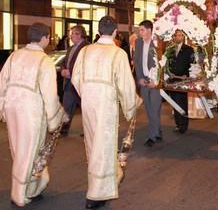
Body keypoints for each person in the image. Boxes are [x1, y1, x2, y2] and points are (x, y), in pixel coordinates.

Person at [71, 16, 138, 209]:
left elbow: (76, 79)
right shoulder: (118, 54)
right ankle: (96, 194)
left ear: (99, 31)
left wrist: (88, 93)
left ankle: (103, 182)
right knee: (104, 147)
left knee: (92, 144)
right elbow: (125, 85)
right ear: (116, 32)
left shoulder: (85, 51)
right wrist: (130, 106)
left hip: (88, 104)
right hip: (106, 105)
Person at [0, 23, 66, 207]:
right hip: (31, 112)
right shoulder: (44, 61)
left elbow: (1, 82)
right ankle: (19, 194)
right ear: (44, 38)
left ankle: (32, 187)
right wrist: (56, 117)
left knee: (18, 150)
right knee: (28, 152)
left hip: (12, 108)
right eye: (49, 37)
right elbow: (50, 94)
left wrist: (2, 107)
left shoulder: (15, 55)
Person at [134, 20, 163, 147]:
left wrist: (156, 81)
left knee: (155, 108)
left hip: (155, 82)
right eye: (139, 30)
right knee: (148, 108)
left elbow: (162, 64)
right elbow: (136, 61)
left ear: (150, 30)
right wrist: (139, 78)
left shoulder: (158, 43)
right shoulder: (138, 42)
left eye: (142, 30)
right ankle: (157, 131)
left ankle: (152, 136)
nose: (140, 33)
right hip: (143, 80)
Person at [60, 25, 89, 137]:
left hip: (80, 84)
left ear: (81, 34)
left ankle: (87, 130)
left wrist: (70, 72)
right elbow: (65, 62)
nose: (72, 36)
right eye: (71, 33)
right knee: (67, 106)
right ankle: (63, 129)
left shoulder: (86, 48)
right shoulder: (71, 48)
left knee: (85, 109)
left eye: (75, 33)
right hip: (68, 83)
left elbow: (84, 65)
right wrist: (63, 70)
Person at [166, 30, 194, 133]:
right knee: (174, 102)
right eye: (176, 35)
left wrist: (186, 75)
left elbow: (192, 64)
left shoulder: (189, 49)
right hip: (173, 79)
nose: (178, 37)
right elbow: (168, 63)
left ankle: (183, 125)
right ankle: (178, 123)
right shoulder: (171, 50)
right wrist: (169, 73)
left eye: (180, 35)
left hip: (183, 80)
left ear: (183, 37)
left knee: (182, 102)